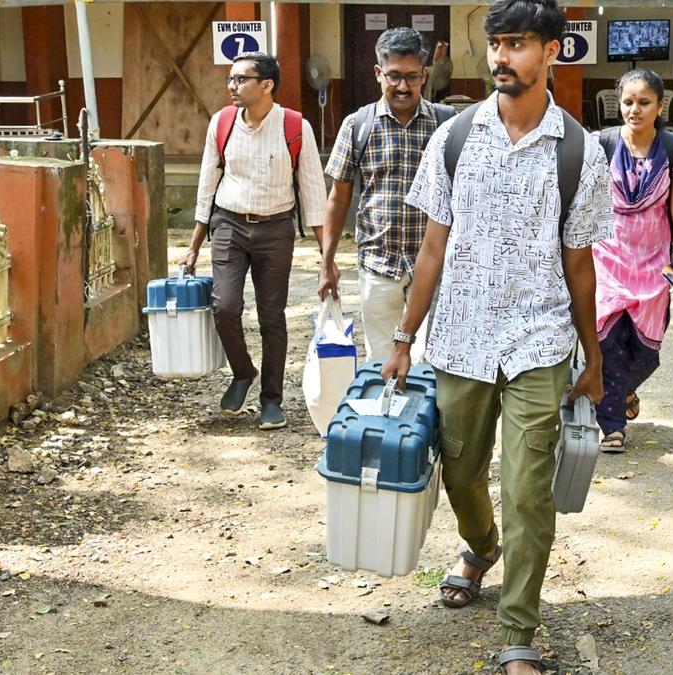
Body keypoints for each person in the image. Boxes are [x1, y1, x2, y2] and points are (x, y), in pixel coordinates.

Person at [380, 0, 613, 671]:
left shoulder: (579, 152)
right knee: (460, 470)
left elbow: (579, 264)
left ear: (551, 53)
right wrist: (404, 337)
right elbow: (431, 249)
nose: (502, 57)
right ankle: (481, 545)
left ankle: (520, 628)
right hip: (460, 337)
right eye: (496, 43)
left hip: (539, 341)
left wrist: (592, 358)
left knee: (529, 487)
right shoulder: (454, 137)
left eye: (517, 44)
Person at [183, 52, 326, 430]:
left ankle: (271, 400)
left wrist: (327, 259)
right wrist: (195, 243)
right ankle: (243, 371)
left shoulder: (295, 127)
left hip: (276, 228)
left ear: (267, 85)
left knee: (272, 316)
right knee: (225, 306)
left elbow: (313, 193)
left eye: (241, 79)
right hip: (228, 224)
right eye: (230, 79)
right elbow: (206, 185)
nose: (232, 86)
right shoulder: (222, 123)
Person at [319, 27, 450, 359]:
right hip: (379, 265)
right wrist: (327, 262)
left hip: (434, 267)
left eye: (412, 77)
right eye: (393, 76)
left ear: (425, 75)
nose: (403, 86)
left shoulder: (446, 126)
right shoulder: (357, 125)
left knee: (432, 363)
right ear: (378, 73)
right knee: (383, 361)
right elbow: (338, 197)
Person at [592, 68, 673, 450]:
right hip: (608, 258)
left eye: (644, 102)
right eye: (628, 102)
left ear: (660, 105)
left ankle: (624, 390)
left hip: (654, 264)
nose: (635, 110)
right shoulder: (599, 144)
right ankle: (613, 424)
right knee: (609, 341)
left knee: (647, 349)